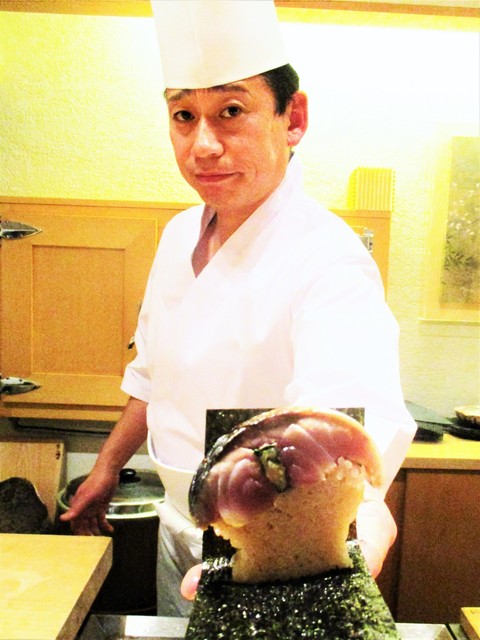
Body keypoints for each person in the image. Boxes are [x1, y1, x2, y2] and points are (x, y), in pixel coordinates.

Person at [61, 0, 416, 617]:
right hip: (176, 525)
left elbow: (347, 407)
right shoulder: (178, 234)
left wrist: (354, 512)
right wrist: (106, 469)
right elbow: (153, 375)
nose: (203, 145)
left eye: (231, 111)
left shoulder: (328, 259)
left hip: (272, 544)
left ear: (292, 118)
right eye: (183, 115)